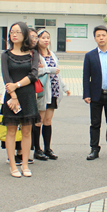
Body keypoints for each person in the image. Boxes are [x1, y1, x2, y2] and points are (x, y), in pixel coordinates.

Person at [0, 22, 40, 177]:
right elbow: (6, 77)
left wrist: (16, 85)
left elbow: (33, 74)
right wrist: (14, 95)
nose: (14, 35)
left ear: (24, 34)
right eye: (11, 32)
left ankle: (24, 164)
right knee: (11, 131)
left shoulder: (32, 54)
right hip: (12, 98)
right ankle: (13, 166)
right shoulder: (6, 55)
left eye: (17, 32)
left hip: (28, 95)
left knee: (27, 131)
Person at [83, 25, 107, 160]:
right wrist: (86, 94)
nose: (101, 37)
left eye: (103, 35)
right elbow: (86, 76)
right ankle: (94, 149)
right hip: (96, 95)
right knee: (95, 123)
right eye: (98, 35)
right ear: (95, 38)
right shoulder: (90, 56)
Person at [34, 29, 70, 161]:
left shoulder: (52, 55)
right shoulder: (35, 55)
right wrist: (50, 69)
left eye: (48, 38)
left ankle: (47, 148)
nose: (46, 40)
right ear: (37, 39)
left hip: (54, 91)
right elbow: (34, 72)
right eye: (43, 37)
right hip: (42, 92)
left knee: (48, 121)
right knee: (39, 121)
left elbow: (58, 73)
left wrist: (65, 88)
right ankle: (37, 149)